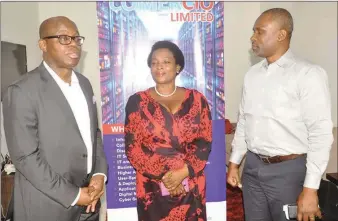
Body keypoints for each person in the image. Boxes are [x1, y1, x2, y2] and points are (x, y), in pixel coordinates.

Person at [227, 8, 333, 221]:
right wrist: (234, 162)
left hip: (289, 171)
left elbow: (320, 134)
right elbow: (245, 122)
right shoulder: (252, 75)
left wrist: (311, 188)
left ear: (281, 35)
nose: (253, 37)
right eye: (253, 31)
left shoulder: (308, 74)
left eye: (260, 31)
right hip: (253, 168)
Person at [2, 16, 108, 221]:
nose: (74, 45)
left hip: (90, 204)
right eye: (63, 38)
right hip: (47, 206)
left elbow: (94, 134)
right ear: (43, 44)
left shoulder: (84, 84)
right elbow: (25, 157)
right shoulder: (22, 91)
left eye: (77, 38)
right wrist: (75, 195)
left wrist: (99, 175)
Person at [124, 40, 212, 221]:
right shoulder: (137, 102)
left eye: (166, 62)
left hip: (191, 182)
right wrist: (166, 177)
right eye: (154, 62)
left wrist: (183, 172)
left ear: (178, 66)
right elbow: (133, 148)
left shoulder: (197, 99)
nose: (159, 67)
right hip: (152, 187)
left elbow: (204, 141)